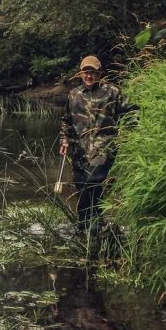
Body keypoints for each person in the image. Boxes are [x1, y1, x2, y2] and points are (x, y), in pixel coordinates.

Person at [59, 55, 131, 233]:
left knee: (93, 183)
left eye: (92, 73)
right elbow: (66, 121)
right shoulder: (74, 94)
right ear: (80, 74)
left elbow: (131, 112)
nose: (89, 76)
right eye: (85, 72)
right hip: (79, 151)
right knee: (82, 186)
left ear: (100, 74)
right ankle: (87, 226)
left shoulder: (113, 92)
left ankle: (93, 225)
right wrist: (64, 140)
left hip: (103, 149)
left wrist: (127, 134)